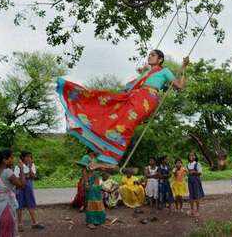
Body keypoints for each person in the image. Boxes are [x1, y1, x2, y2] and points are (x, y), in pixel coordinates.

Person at [57, 50, 190, 168]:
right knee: (113, 114)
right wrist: (142, 74)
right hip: (134, 96)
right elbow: (133, 85)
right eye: (149, 55)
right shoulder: (146, 72)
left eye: (153, 55)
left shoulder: (164, 71)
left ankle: (112, 156)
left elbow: (179, 86)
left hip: (147, 99)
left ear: (160, 59)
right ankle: (105, 153)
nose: (149, 57)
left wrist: (183, 67)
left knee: (126, 124)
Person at [0, 149, 26, 237]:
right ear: (5, 160)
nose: (13, 160)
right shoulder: (7, 172)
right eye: (11, 158)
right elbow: (22, 185)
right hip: (5, 209)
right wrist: (22, 169)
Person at [14, 151, 44, 232]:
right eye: (27, 157)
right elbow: (17, 178)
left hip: (28, 187)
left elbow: (33, 176)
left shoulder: (32, 165)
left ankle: (34, 222)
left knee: (30, 203)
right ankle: (19, 224)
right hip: (19, 187)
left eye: (30, 157)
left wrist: (29, 169)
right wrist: (26, 175)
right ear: (22, 157)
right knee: (19, 205)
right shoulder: (18, 166)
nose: (29, 158)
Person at [82, 155, 106, 229]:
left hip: (97, 188)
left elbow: (100, 177)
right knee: (90, 204)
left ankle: (99, 220)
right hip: (90, 187)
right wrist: (86, 184)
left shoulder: (96, 169)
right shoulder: (86, 162)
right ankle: (90, 222)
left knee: (98, 203)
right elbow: (84, 173)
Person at [187, 152, 204, 217]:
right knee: (191, 195)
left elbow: (200, 173)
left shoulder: (197, 164)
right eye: (190, 155)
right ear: (188, 157)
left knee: (197, 195)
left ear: (195, 157)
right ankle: (192, 209)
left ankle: (197, 210)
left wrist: (194, 172)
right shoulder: (188, 164)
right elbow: (188, 173)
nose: (191, 156)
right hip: (190, 181)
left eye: (193, 155)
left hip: (196, 180)